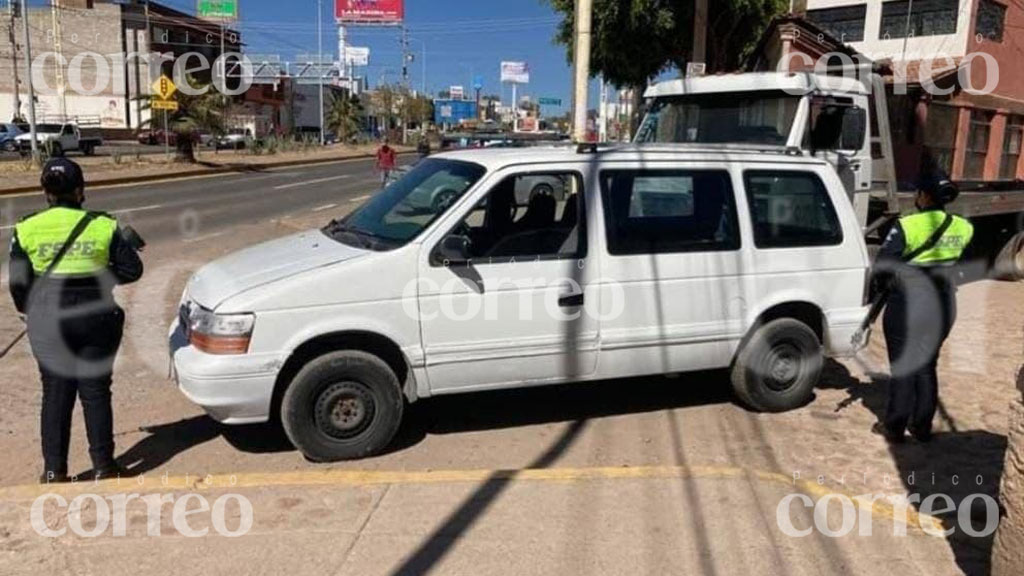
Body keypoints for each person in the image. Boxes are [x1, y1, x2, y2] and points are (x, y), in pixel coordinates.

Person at [8, 158, 144, 482]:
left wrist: (32, 310)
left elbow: (18, 283)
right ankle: (104, 467)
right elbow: (131, 270)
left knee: (55, 393)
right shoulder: (104, 225)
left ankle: (54, 471)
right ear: (80, 191)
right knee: (95, 391)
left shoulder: (26, 228)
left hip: (48, 319)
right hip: (96, 317)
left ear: (45, 192)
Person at [871, 175, 974, 443]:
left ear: (925, 197)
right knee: (927, 365)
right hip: (942, 301)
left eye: (918, 193)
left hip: (908, 301)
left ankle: (894, 427)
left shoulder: (908, 224)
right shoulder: (963, 227)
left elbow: (883, 264)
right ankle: (922, 426)